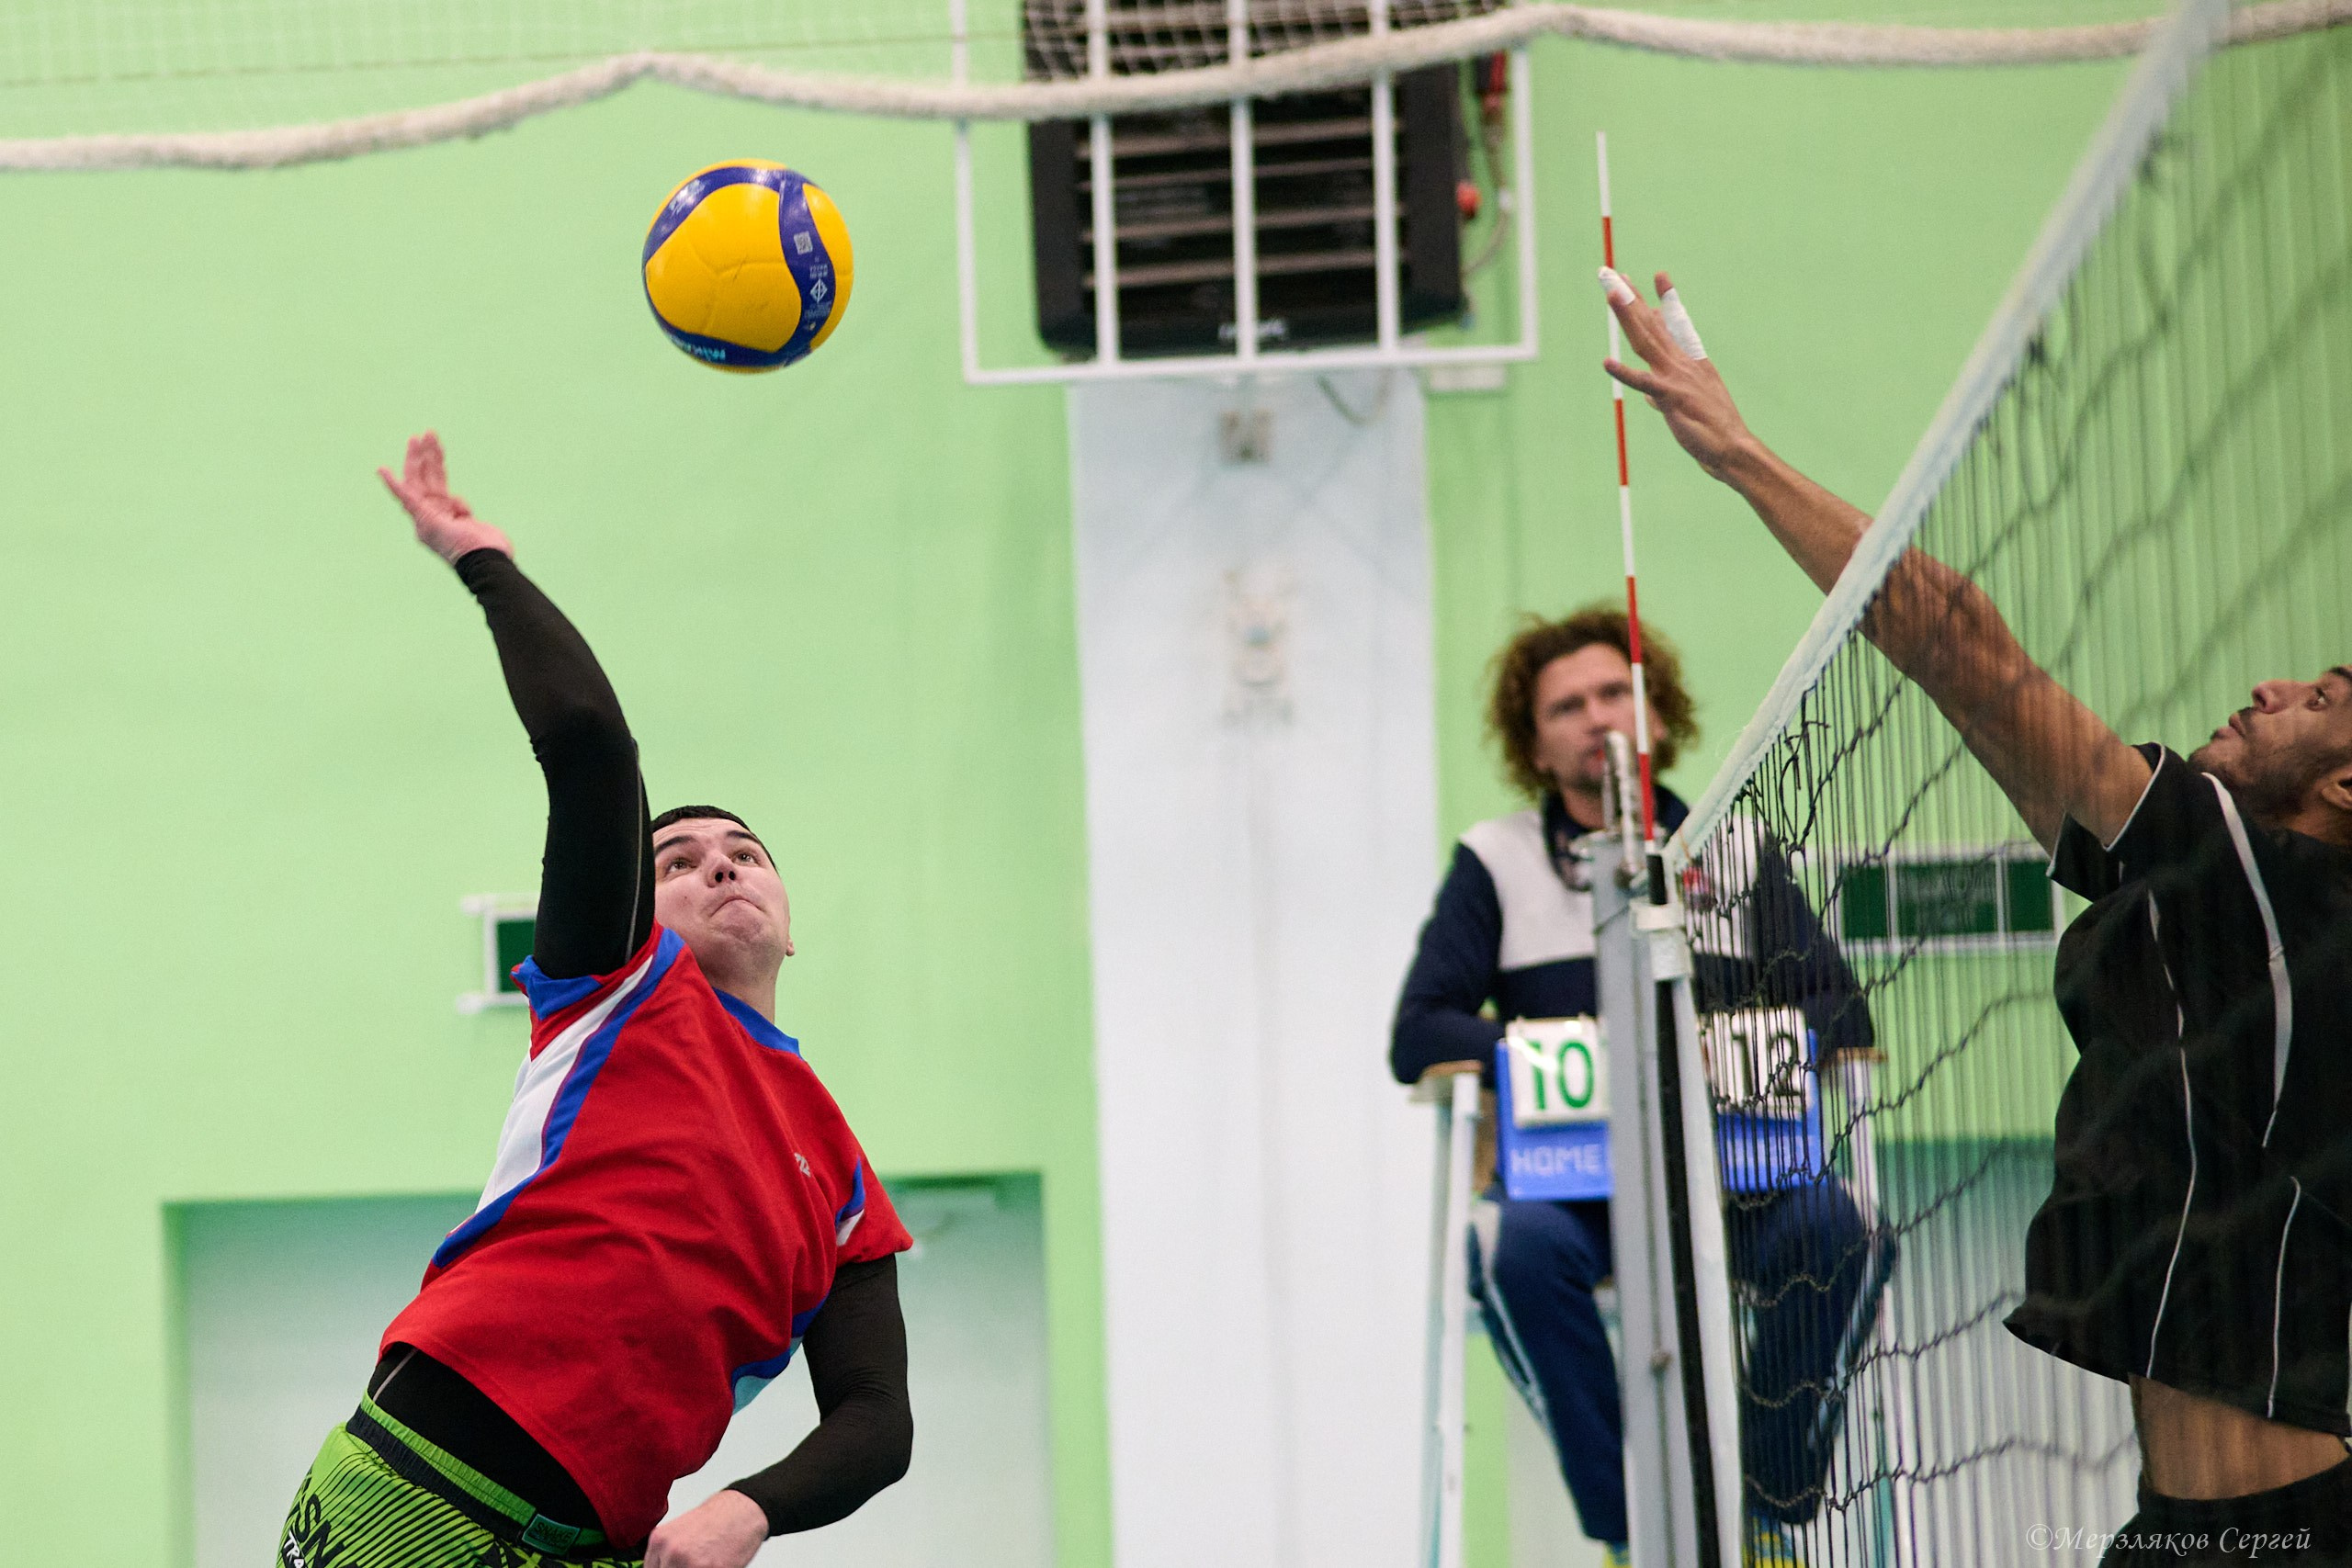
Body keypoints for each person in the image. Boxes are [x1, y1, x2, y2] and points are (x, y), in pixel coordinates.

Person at [1601, 264, 2352, 1562]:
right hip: (2185, 1528)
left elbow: (1961, 646)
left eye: (2324, 698)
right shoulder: (2241, 913)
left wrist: (1739, 454)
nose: (2273, 683)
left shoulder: (2280, 890)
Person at [277, 433, 915, 1568]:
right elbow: (587, 748)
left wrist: (745, 1507)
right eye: (677, 861)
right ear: (634, 905)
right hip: (421, 1485)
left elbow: (875, 1421)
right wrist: (484, 561)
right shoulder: (617, 989)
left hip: (596, 1546)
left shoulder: (844, 1182)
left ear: (787, 912)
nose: (719, 865)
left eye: (745, 852)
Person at [1391, 606, 1889, 1566]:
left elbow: (1839, 1007)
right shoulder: (1495, 862)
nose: (1596, 717)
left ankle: (1762, 1509)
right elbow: (1419, 1030)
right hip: (1576, 1187)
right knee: (1512, 1248)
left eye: (1615, 693)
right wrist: (1552, 1053)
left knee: (1838, 1229)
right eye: (1566, 706)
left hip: (1736, 1177)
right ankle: (1631, 1523)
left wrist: (1740, 1044)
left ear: (1656, 715)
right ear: (1534, 744)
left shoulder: (1735, 851)